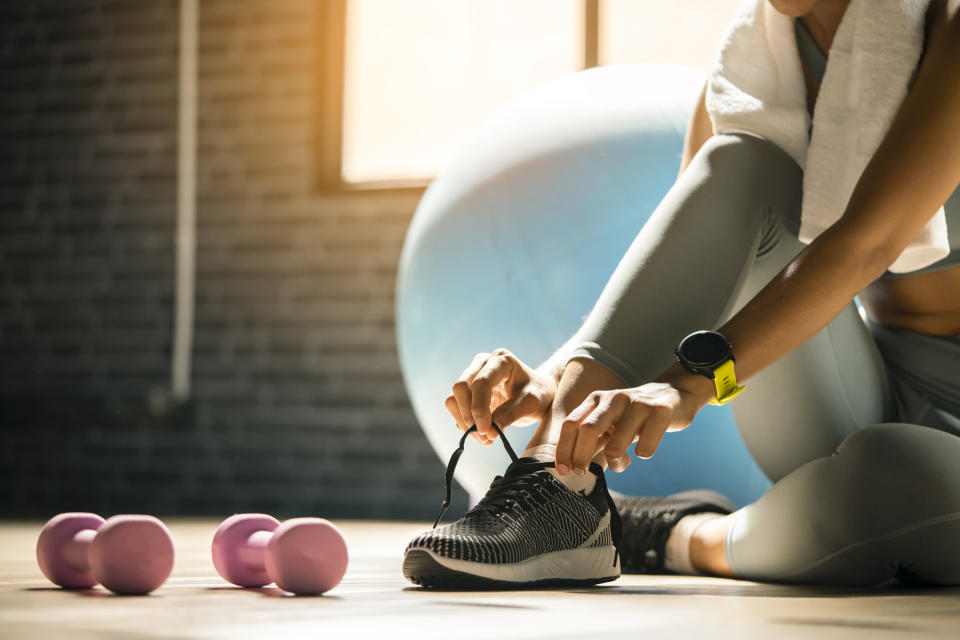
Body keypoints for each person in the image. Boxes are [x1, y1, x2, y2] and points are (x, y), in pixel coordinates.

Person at [402, 0, 960, 588]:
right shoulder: (752, 75)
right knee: (743, 161)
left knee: (891, 479)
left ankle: (681, 535)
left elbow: (866, 243)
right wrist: (554, 377)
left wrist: (686, 385)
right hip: (872, 385)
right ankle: (559, 490)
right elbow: (688, 284)